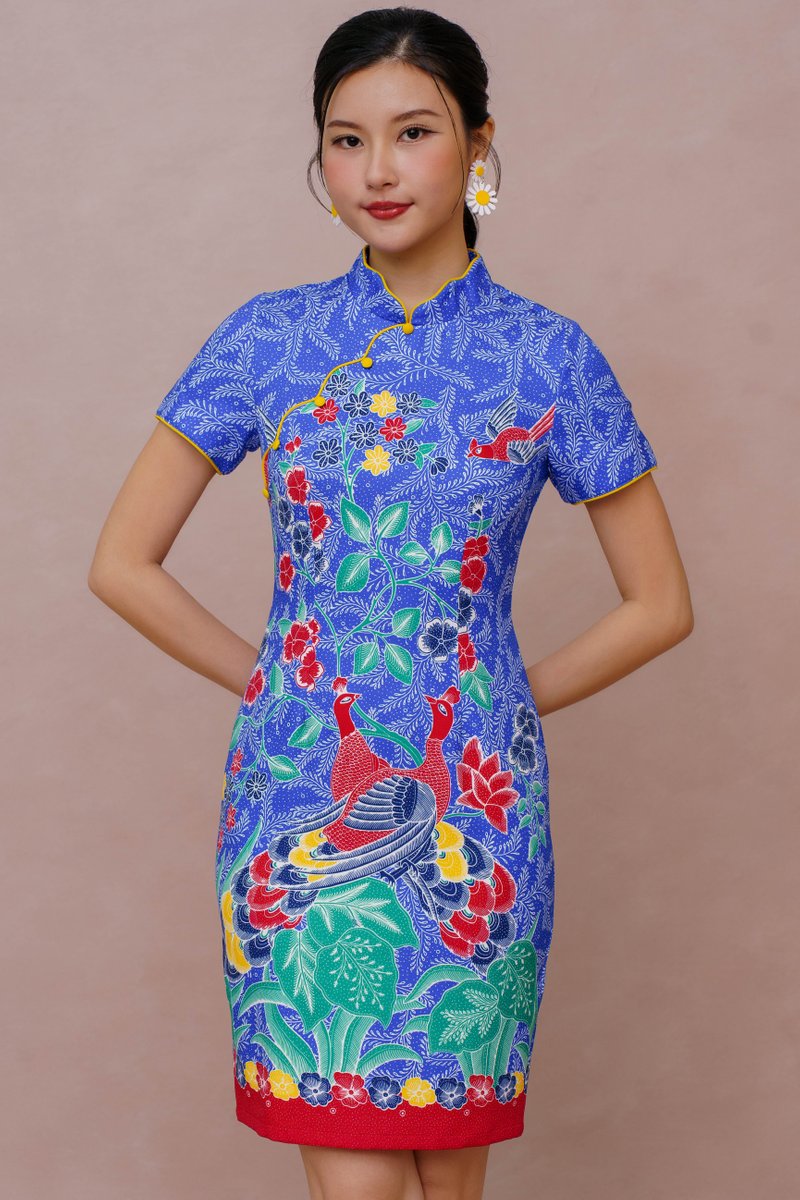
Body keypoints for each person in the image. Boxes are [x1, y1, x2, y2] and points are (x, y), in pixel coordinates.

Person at [88, 7, 693, 1199]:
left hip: (474, 820)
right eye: (345, 138)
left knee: (445, 1181)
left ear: (477, 146)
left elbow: (659, 603)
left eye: (412, 132)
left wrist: (497, 703)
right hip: (297, 807)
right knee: (357, 1185)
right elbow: (122, 563)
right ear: (318, 159)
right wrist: (276, 681)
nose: (376, 169)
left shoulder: (547, 356)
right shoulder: (269, 340)